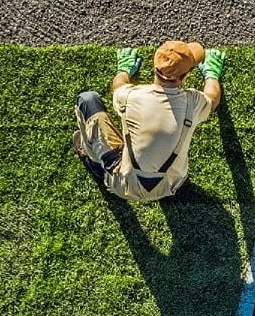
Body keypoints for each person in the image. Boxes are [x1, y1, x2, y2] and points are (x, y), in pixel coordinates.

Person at [73, 41, 225, 201]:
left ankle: (97, 166)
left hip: (124, 185)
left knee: (88, 99)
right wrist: (211, 74)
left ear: (155, 67)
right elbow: (213, 98)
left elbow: (119, 85)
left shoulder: (129, 96)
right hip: (171, 185)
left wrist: (124, 70)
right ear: (184, 76)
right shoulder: (192, 103)